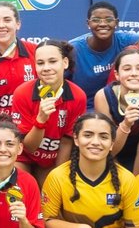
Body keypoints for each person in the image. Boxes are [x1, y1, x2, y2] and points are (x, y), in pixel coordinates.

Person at [10, 39, 88, 184]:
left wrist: (58, 178)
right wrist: (41, 119)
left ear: (65, 63)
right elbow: (29, 147)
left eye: (52, 61)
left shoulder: (78, 96)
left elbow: (66, 141)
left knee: (52, 192)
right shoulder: (22, 93)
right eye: (40, 63)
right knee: (20, 187)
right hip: (23, 156)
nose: (46, 68)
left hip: (53, 159)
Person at [92, 49, 139, 173]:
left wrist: (135, 180)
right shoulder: (103, 97)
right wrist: (126, 124)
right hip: (110, 154)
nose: (134, 73)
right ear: (117, 74)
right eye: (127, 69)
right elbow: (108, 148)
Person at [69, 1, 139, 98]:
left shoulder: (126, 40)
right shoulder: (73, 49)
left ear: (117, 23)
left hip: (118, 103)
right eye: (96, 20)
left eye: (109, 19)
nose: (102, 24)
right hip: (86, 106)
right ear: (88, 23)